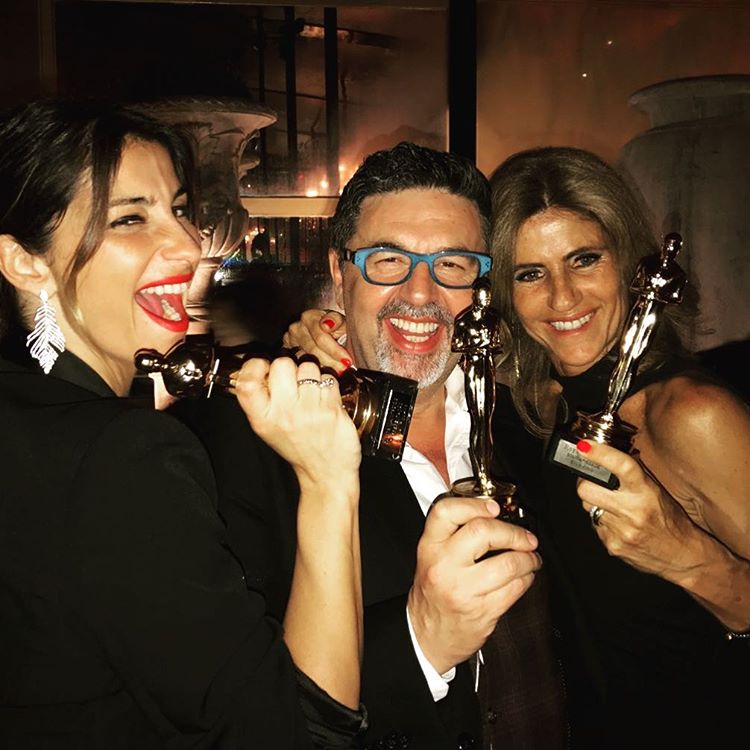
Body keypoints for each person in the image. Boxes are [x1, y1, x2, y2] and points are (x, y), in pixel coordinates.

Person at [0, 99, 365, 748]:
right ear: (24, 261)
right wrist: (328, 481)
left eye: (178, 208)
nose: (190, 243)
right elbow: (293, 735)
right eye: (130, 218)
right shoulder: (121, 455)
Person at [276, 142, 567, 749]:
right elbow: (248, 705)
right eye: (387, 260)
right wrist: (421, 640)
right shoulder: (260, 447)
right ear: (339, 273)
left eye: (453, 264)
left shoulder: (535, 420)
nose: (419, 292)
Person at [486, 145, 750, 748]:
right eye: (530, 273)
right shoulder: (540, 406)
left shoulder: (690, 416)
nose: (562, 298)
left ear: (630, 262)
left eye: (584, 259)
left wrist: (688, 557)